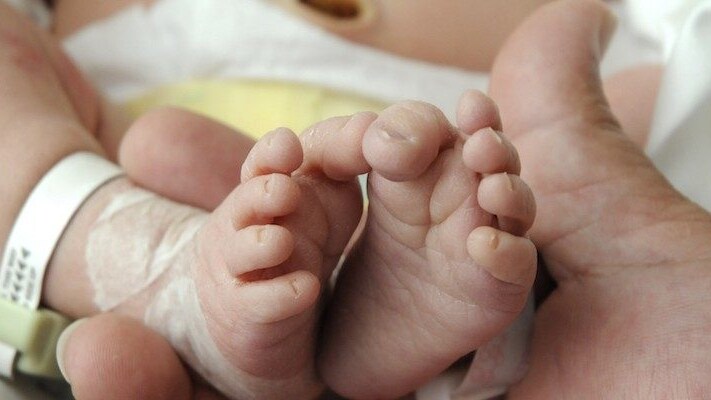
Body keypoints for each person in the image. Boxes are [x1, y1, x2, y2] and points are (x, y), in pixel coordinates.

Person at [55, 0, 711, 399]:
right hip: (124, 114)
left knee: (623, 124)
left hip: (461, 150)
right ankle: (158, 262)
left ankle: (209, 290)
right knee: (31, 79)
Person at [0, 1, 538, 399]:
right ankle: (161, 266)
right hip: (115, 151)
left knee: (531, 137)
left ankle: (380, 315)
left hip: (432, 194)